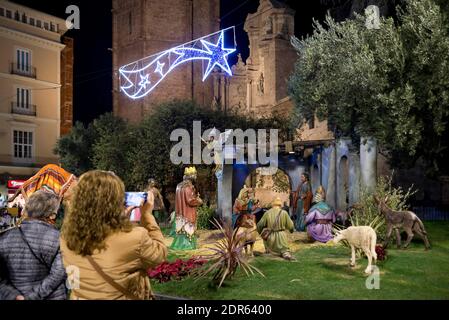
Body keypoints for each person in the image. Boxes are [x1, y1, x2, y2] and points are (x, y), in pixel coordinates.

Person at [60, 170, 167, 300]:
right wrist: (147, 216)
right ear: (116, 201)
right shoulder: (135, 237)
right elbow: (159, 254)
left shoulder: (66, 238)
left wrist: (121, 221)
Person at [0, 190, 67, 300]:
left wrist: (15, 296)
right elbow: (58, 275)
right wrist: (32, 297)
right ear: (52, 215)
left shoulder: (4, 237)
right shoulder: (59, 238)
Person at [170, 167, 203, 250]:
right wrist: (198, 201)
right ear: (190, 176)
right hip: (188, 214)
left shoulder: (179, 186)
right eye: (194, 174)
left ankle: (180, 245)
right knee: (188, 230)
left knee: (181, 230)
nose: (196, 176)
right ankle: (188, 246)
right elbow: (190, 200)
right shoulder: (188, 187)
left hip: (180, 214)